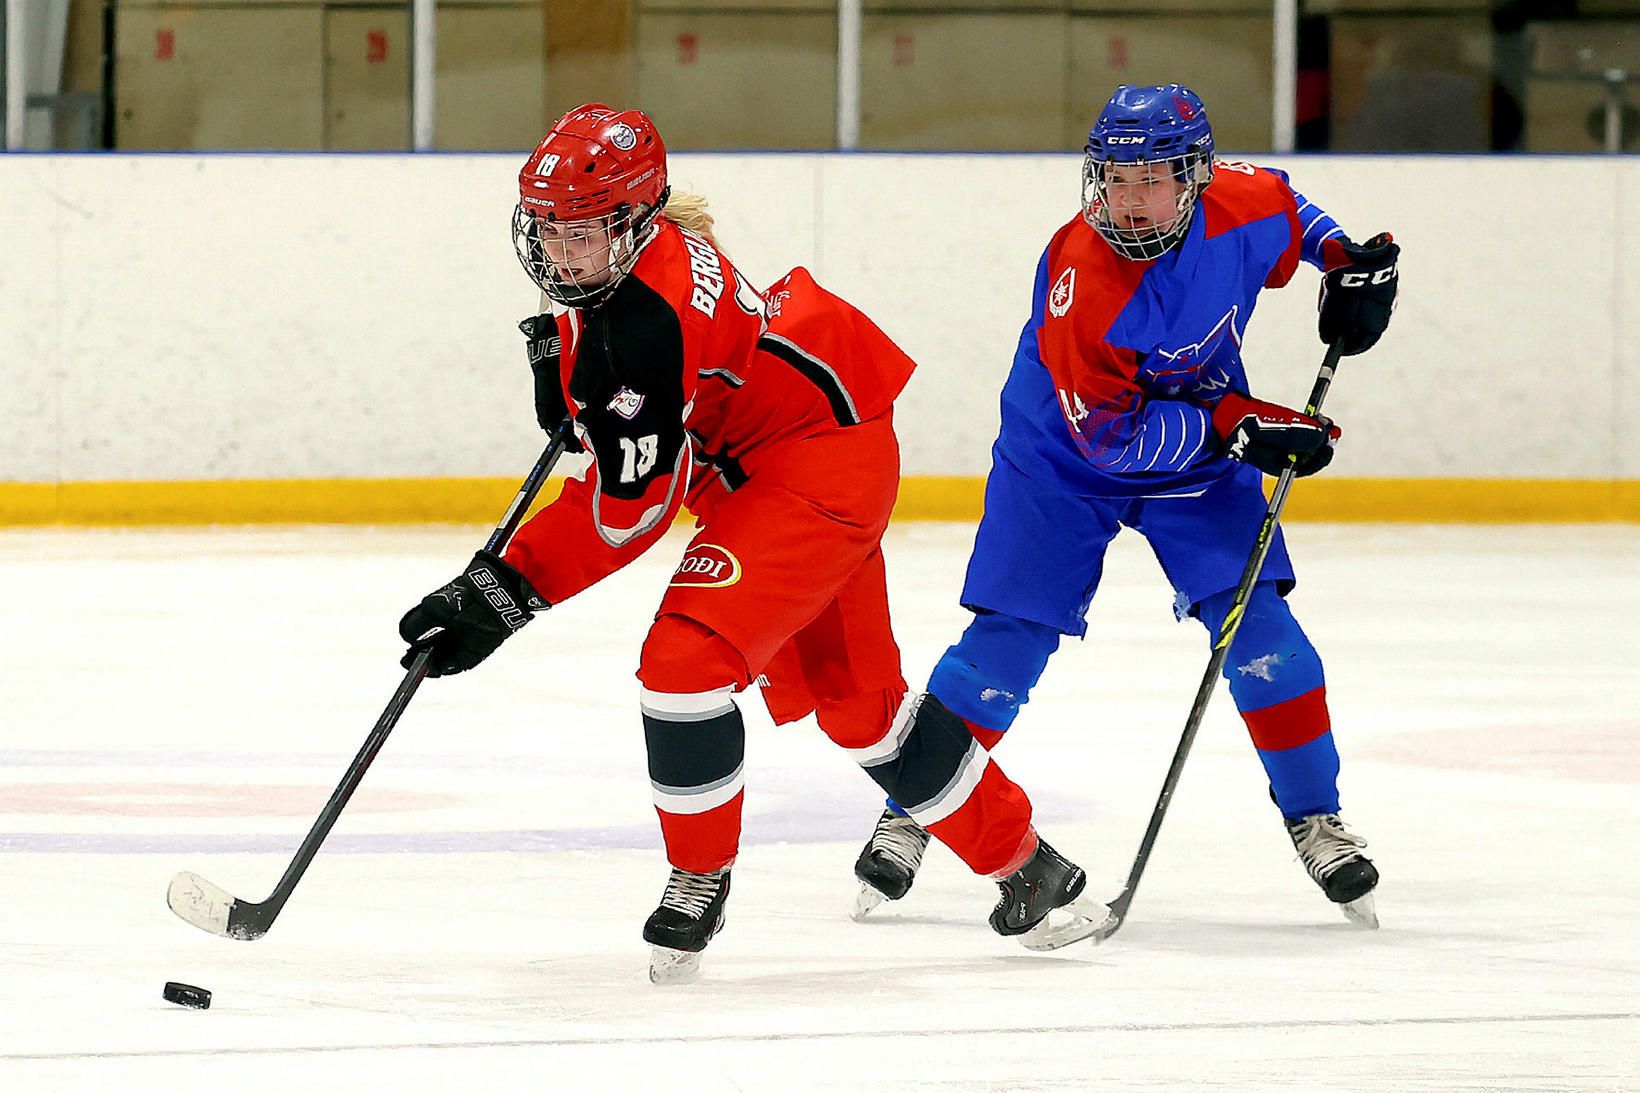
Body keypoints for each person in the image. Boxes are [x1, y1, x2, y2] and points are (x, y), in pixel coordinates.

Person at [396, 103, 1112, 982]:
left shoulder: (643, 329)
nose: (558, 252)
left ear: (631, 222)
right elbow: (638, 422)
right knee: (861, 705)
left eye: (580, 232)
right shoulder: (625, 275)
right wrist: (587, 401)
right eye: (546, 229)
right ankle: (1030, 868)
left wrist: (502, 590)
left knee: (682, 664)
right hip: (800, 447)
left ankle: (699, 874)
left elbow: (629, 515)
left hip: (807, 471)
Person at [851, 84, 1399, 930]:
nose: (1129, 200)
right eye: (1115, 177)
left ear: (1197, 177)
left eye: (1152, 179)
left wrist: (1348, 262)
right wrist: (1236, 424)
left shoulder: (1241, 204)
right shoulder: (1085, 278)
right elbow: (1109, 442)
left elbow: (1294, 212)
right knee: (1008, 646)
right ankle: (924, 798)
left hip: (1202, 434)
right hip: (1060, 455)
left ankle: (1314, 816)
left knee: (1265, 639)